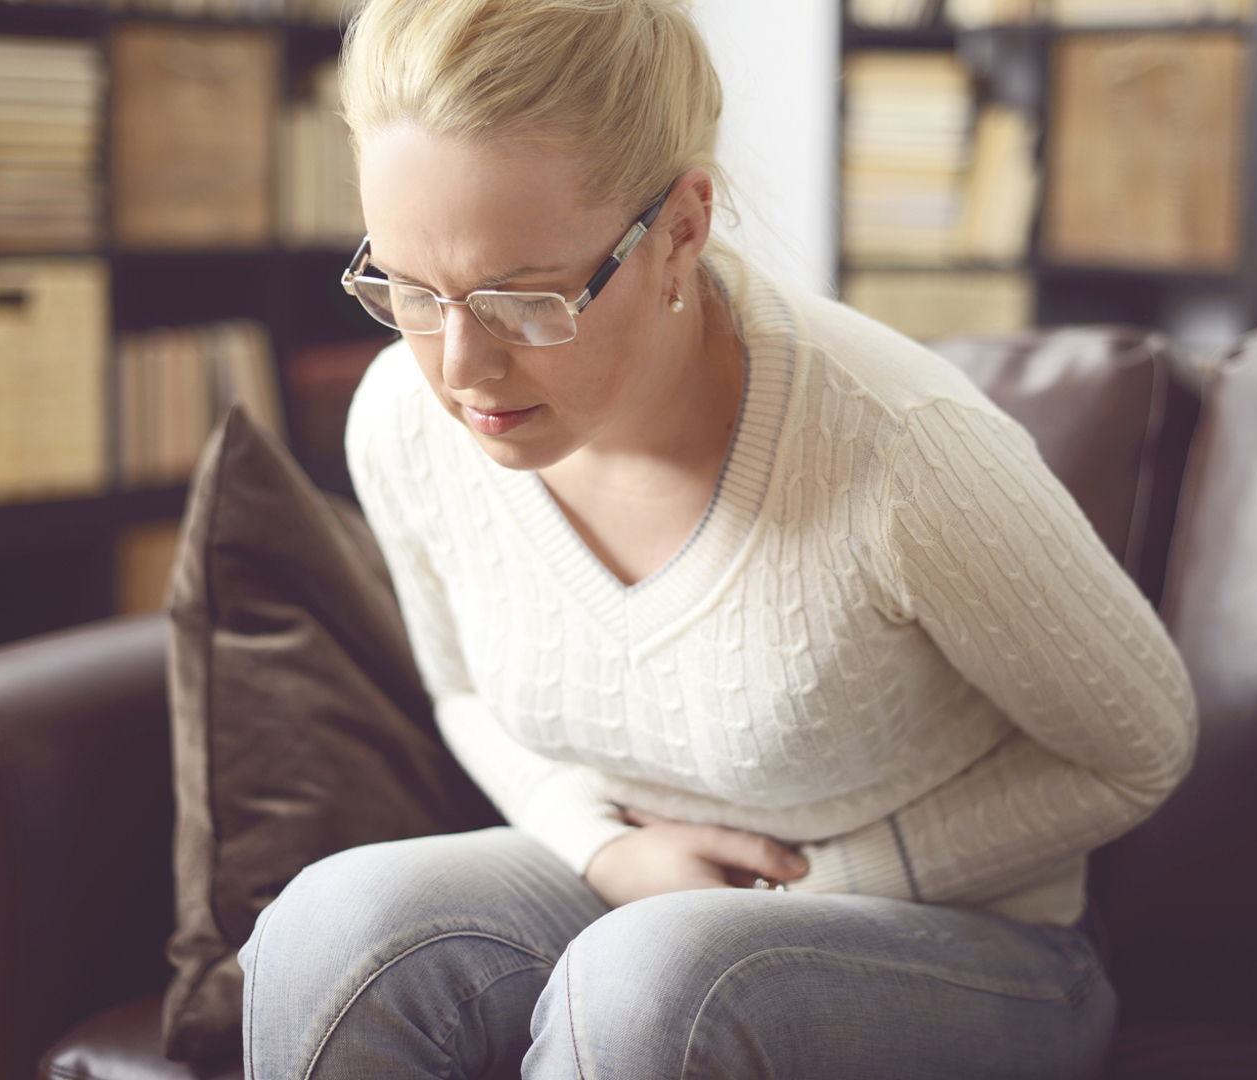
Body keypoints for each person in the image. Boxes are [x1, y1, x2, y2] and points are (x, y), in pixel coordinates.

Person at [238, 1, 1197, 1076]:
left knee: (658, 984)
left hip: (976, 944)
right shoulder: (405, 423)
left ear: (681, 230)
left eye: (523, 300)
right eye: (410, 291)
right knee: (332, 925)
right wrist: (603, 849)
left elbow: (1139, 746)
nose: (461, 368)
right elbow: (458, 692)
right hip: (638, 891)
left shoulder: (900, 452)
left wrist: (817, 886)